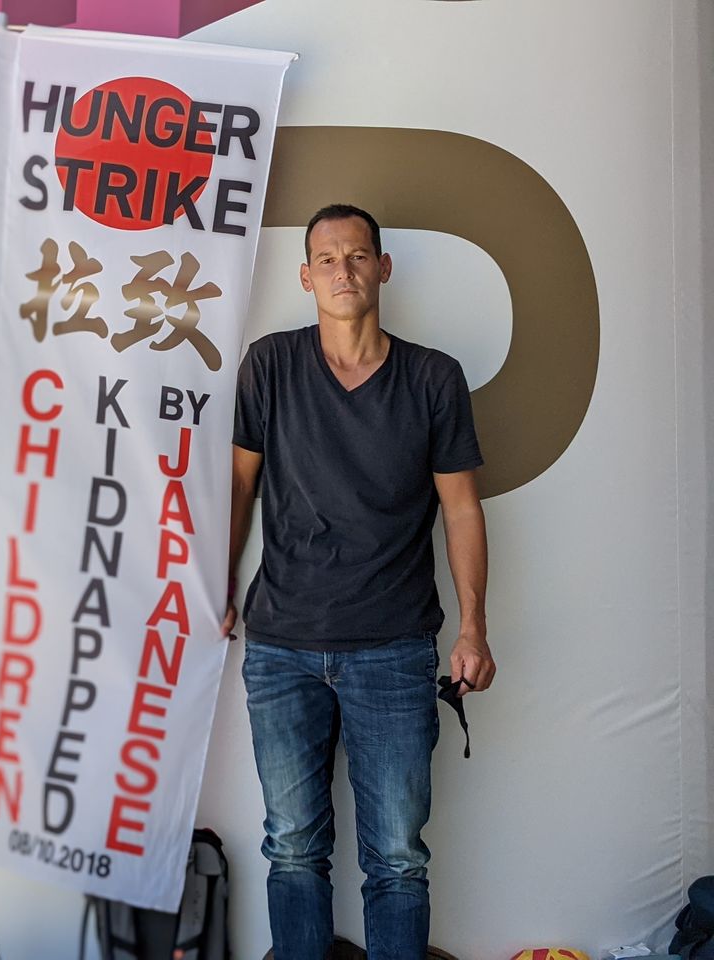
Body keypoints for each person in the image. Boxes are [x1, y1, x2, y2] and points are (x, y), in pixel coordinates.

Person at [222, 203, 496, 960]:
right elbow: (237, 488)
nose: (344, 270)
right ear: (306, 276)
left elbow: (462, 510)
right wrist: (217, 579)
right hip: (282, 649)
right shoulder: (271, 366)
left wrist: (472, 627)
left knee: (398, 860)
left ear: (382, 268)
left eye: (358, 256)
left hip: (395, 650)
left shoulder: (434, 377)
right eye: (328, 259)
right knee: (293, 849)